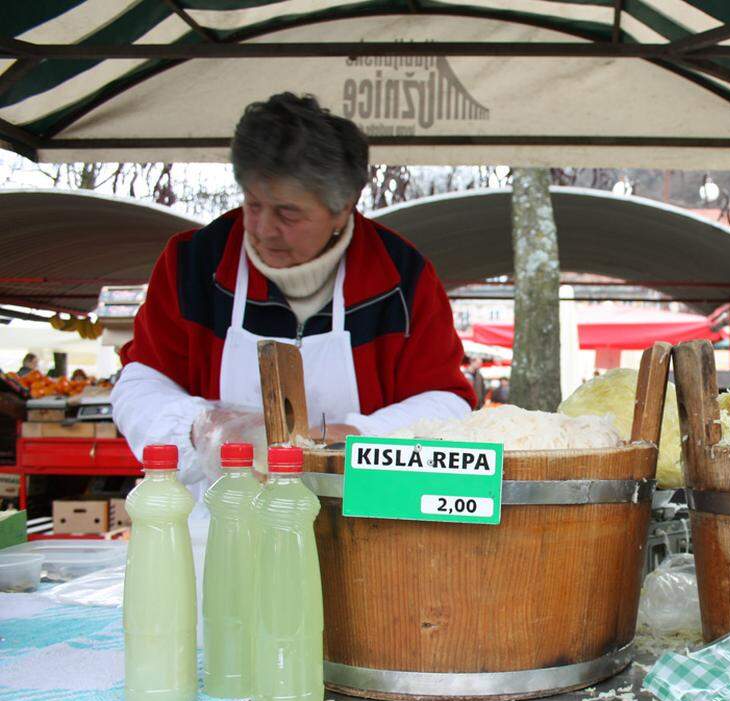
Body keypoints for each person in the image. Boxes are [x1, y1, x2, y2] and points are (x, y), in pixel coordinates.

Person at [113, 92, 473, 491]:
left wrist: (354, 437)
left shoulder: (401, 278)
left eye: (288, 213)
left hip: (361, 526)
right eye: (253, 204)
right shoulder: (195, 263)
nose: (264, 229)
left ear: (342, 208)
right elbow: (140, 385)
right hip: (217, 521)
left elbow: (446, 404)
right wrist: (201, 428)